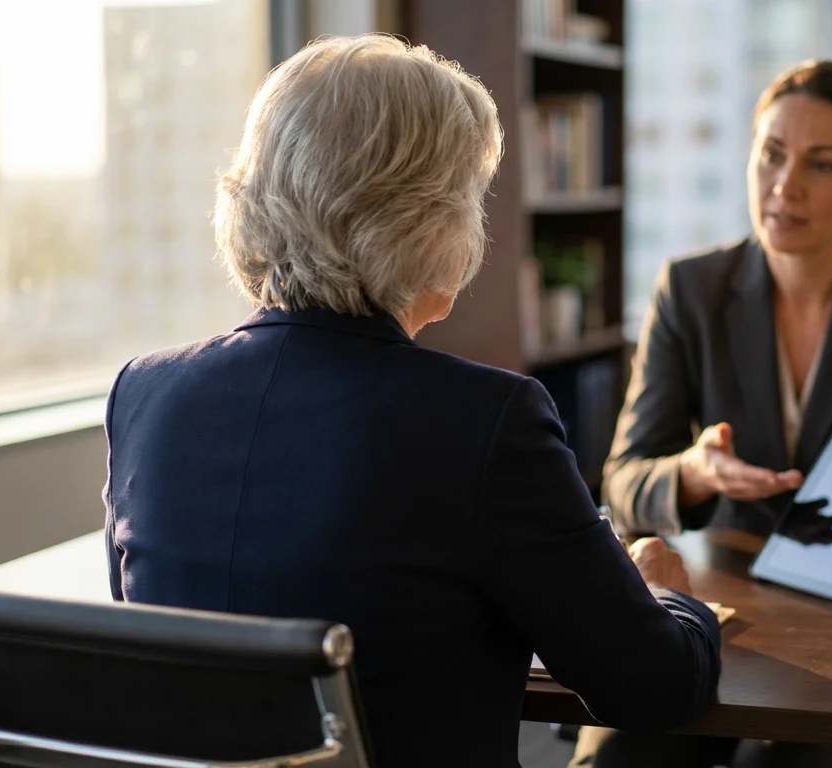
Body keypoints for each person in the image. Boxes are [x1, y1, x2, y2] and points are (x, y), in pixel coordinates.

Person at [102, 34, 721, 768]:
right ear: (428, 220)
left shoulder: (143, 394)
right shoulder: (485, 423)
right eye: (469, 196)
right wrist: (672, 602)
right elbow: (651, 690)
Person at [577, 59, 832, 768]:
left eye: (821, 165)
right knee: (622, 759)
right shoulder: (691, 289)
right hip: (712, 613)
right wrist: (694, 474)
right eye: (771, 155)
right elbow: (624, 481)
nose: (784, 186)